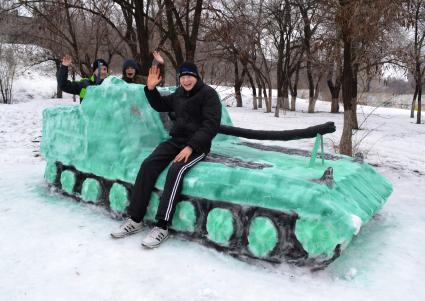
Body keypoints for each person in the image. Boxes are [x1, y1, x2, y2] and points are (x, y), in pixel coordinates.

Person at [111, 61, 222, 248]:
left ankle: (162, 226)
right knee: (148, 165)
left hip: (197, 145)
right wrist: (151, 89)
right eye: (183, 77)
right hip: (176, 140)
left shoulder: (208, 95)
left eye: (189, 76)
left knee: (175, 170)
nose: (186, 80)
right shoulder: (179, 94)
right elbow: (161, 104)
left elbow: (211, 124)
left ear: (196, 77)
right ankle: (135, 219)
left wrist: (191, 146)